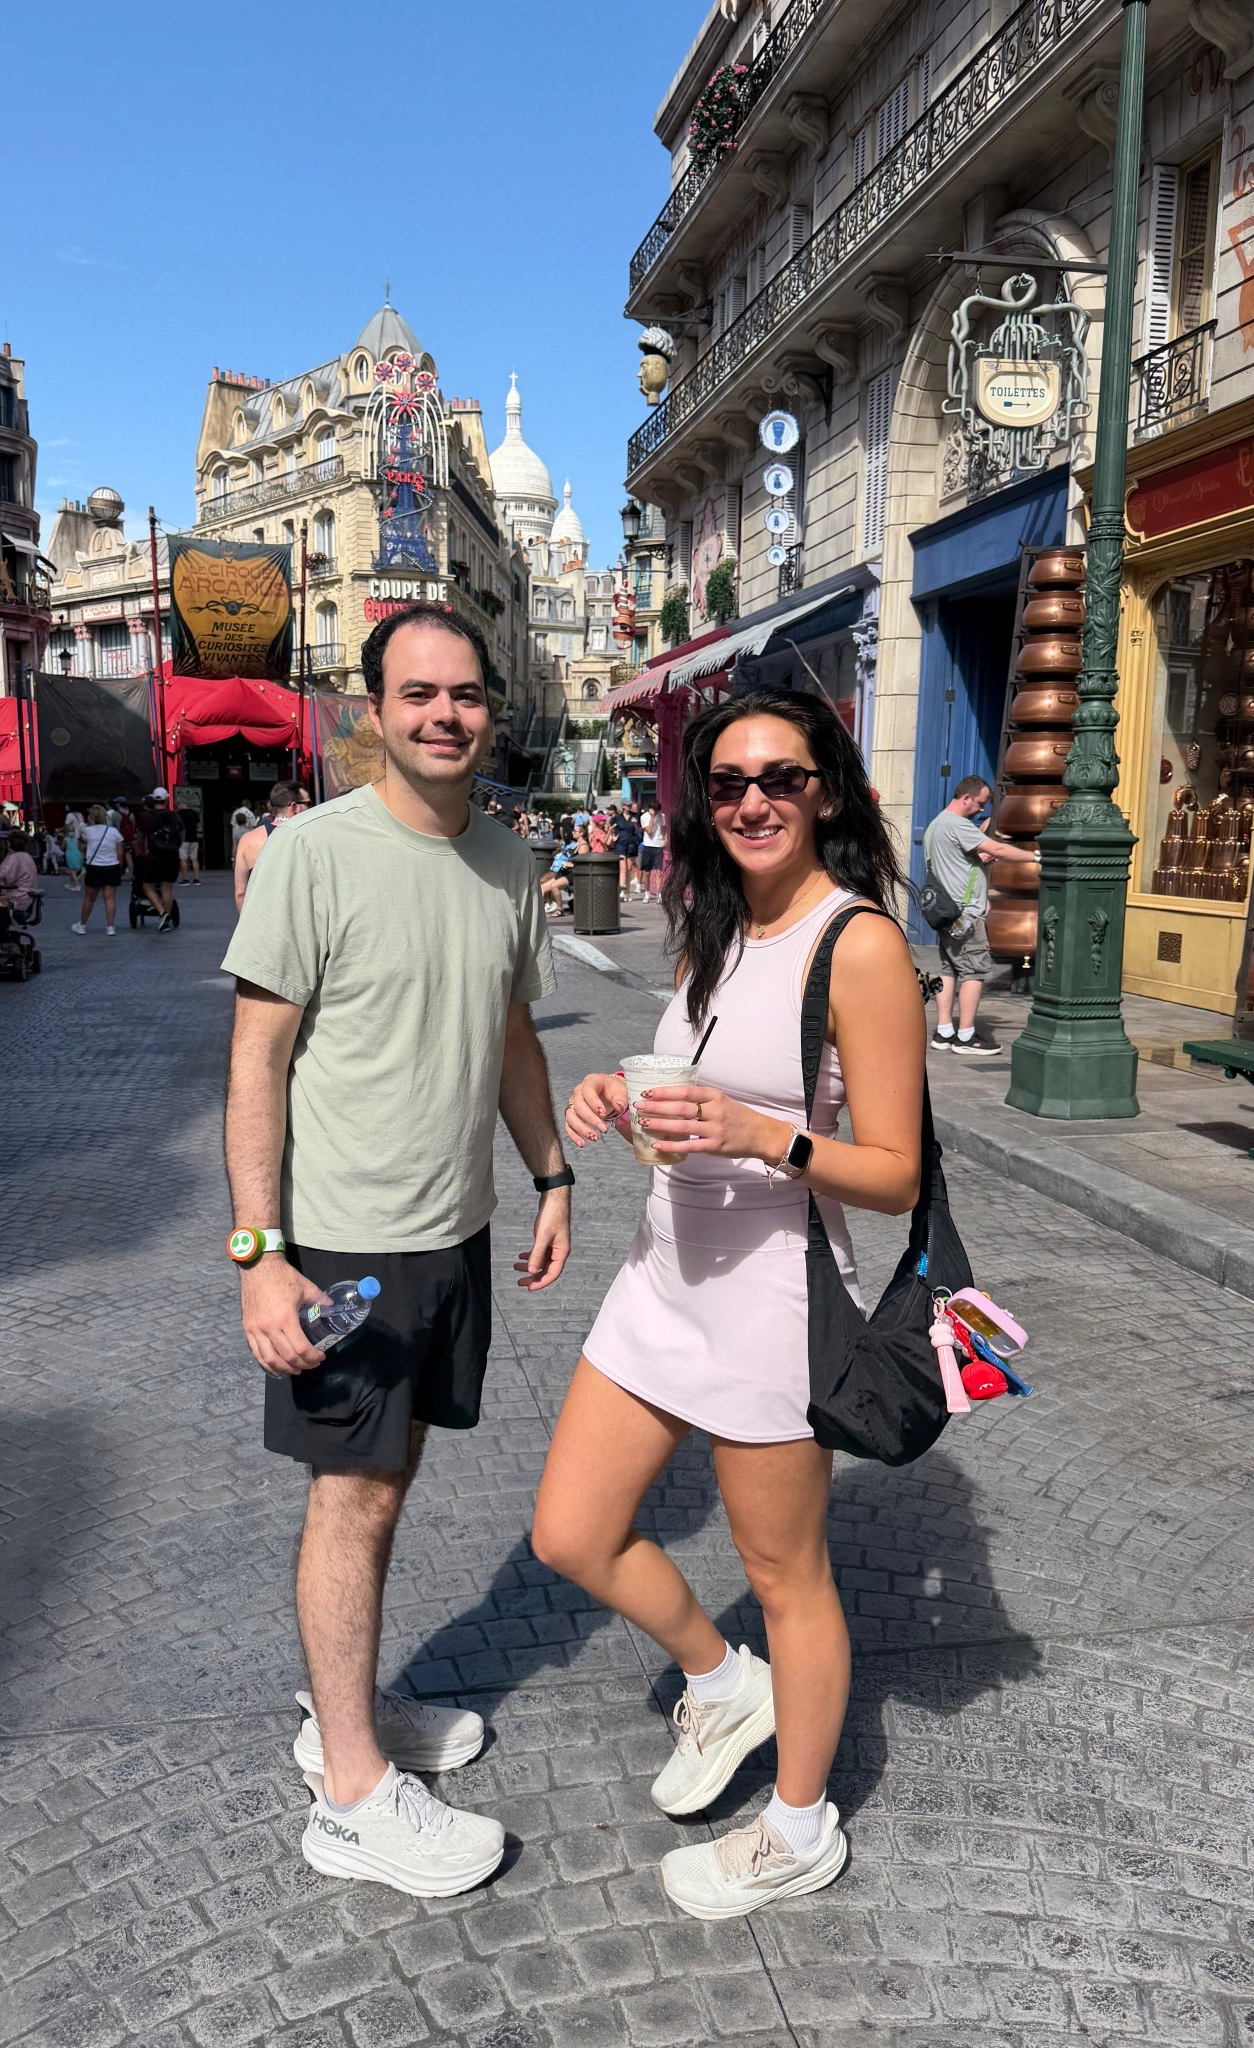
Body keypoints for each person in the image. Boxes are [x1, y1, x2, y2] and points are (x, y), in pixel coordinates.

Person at [534, 691, 924, 1921]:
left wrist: (769, 1133)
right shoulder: (712, 924)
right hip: (660, 1277)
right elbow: (693, 1082)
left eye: (783, 777)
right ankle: (719, 1676)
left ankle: (802, 1825)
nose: (754, 799)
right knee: (570, 1530)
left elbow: (899, 1170)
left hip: (771, 1297)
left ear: (829, 792)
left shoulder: (855, 943)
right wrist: (614, 1088)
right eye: (730, 781)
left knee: (787, 1572)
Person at [222, 599, 571, 1899]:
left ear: (491, 707)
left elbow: (514, 1038)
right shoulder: (314, 853)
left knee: (395, 1478)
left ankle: (343, 1714)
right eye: (418, 694)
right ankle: (356, 1796)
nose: (444, 715)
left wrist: (550, 1172)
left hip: (454, 1232)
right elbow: (255, 1062)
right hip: (341, 1245)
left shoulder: (510, 862)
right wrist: (260, 1253)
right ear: (374, 711)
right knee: (350, 1497)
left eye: (465, 694)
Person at [922, 776, 1036, 1057]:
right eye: (981, 803)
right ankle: (966, 1036)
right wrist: (1037, 858)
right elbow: (995, 848)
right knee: (974, 972)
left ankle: (945, 1031)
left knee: (948, 970)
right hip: (965, 914)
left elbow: (960, 860)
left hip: (944, 913)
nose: (982, 809)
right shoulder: (958, 825)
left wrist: (981, 856)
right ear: (966, 798)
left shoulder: (936, 825)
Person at [233, 780, 310, 912]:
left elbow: (240, 892)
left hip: (263, 921)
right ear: (294, 807)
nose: (311, 808)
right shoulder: (309, 836)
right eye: (308, 803)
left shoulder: (249, 840)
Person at [133, 787, 183, 932]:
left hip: (153, 857)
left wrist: (142, 852)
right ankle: (165, 920)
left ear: (153, 800)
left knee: (148, 887)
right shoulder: (174, 816)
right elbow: (182, 835)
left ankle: (162, 913)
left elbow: (140, 837)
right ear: (167, 800)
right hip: (171, 857)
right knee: (167, 889)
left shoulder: (145, 816)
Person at [71, 805, 124, 935]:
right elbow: (120, 853)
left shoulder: (87, 831)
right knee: (110, 898)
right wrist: (120, 868)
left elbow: (81, 840)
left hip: (94, 866)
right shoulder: (114, 832)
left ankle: (82, 925)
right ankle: (110, 927)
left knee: (89, 898)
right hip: (112, 866)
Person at [639, 804, 666, 900]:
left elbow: (663, 828)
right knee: (647, 872)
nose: (658, 813)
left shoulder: (662, 816)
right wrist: (652, 817)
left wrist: (665, 838)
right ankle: (647, 893)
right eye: (656, 811)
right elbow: (649, 831)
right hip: (648, 845)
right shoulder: (644, 817)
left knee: (659, 871)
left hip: (658, 846)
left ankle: (659, 894)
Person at [614, 804, 641, 898]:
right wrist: (613, 836)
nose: (630, 807)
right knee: (623, 868)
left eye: (630, 805)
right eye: (628, 805)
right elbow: (612, 828)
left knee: (629, 869)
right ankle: (622, 889)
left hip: (631, 844)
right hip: (620, 844)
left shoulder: (635, 817)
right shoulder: (617, 817)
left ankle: (628, 892)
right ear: (623, 807)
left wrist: (635, 825)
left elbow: (638, 831)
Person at [177, 801, 203, 886]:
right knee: (194, 858)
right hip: (194, 838)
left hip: (184, 839)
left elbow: (177, 827)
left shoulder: (179, 814)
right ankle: (196, 878)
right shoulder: (194, 812)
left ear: (180, 805)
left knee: (183, 858)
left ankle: (185, 879)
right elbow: (198, 825)